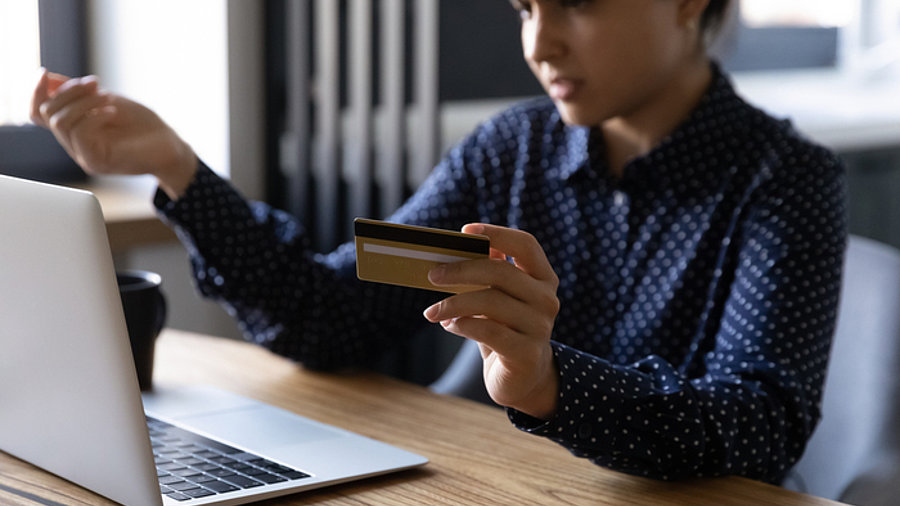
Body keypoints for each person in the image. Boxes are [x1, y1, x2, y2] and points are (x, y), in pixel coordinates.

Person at [31, 0, 846, 484]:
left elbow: (758, 428)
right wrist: (174, 167)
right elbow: (330, 315)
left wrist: (546, 381)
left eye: (578, 3)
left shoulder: (786, 180)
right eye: (526, 8)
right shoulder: (512, 150)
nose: (540, 44)